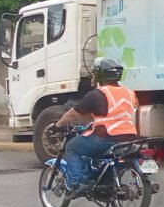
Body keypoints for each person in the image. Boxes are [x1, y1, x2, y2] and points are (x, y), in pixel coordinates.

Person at [55, 58, 139, 196]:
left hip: (106, 137)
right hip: (129, 137)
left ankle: (77, 184)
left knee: (72, 147)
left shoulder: (97, 94)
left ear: (100, 74)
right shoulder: (130, 93)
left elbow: (73, 113)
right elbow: (115, 111)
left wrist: (58, 125)